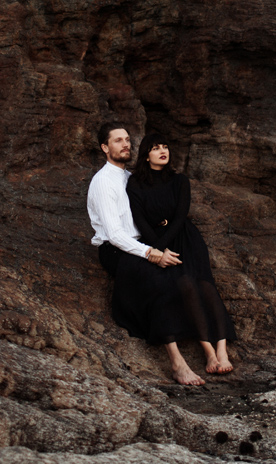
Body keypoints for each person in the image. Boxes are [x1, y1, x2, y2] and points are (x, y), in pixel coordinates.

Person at [87, 121, 207, 385]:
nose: (125, 144)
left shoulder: (130, 178)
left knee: (184, 276)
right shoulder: (103, 181)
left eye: (128, 139)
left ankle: (210, 348)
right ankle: (177, 363)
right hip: (117, 250)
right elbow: (116, 235)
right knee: (158, 282)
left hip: (141, 243)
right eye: (118, 140)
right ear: (105, 148)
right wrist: (152, 253)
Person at [127, 132, 235, 376]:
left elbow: (179, 217)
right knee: (185, 285)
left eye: (165, 146)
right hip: (156, 242)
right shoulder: (135, 184)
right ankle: (208, 352)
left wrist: (164, 241)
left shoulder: (179, 180)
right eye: (156, 148)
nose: (163, 151)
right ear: (146, 155)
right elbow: (140, 219)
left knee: (206, 285)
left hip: (186, 240)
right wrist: (158, 248)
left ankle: (222, 349)